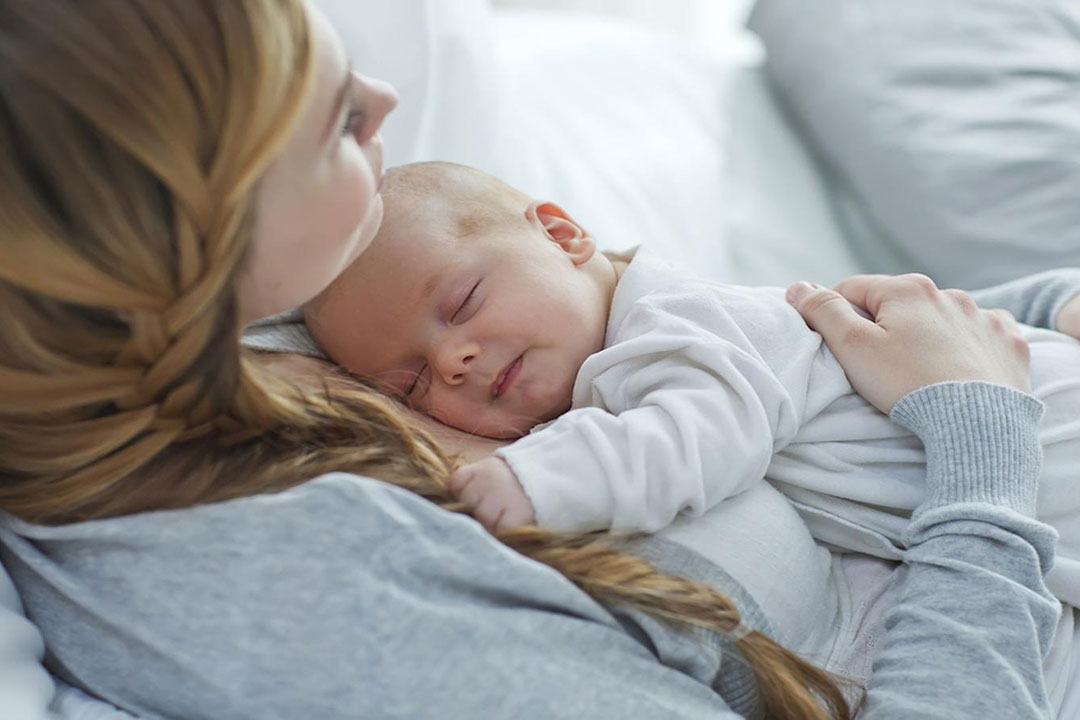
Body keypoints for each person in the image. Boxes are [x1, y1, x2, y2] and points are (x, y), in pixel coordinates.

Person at [0, 1, 1065, 718]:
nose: (384, 102)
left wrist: (1025, 314)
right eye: (326, 122)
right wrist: (979, 440)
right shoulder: (296, 583)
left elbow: (766, 336)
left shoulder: (299, 307)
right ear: (177, 229)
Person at [304, 161, 1080, 604]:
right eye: (409, 385)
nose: (452, 363)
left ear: (565, 235)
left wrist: (527, 481)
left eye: (461, 304)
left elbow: (705, 433)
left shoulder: (674, 324)